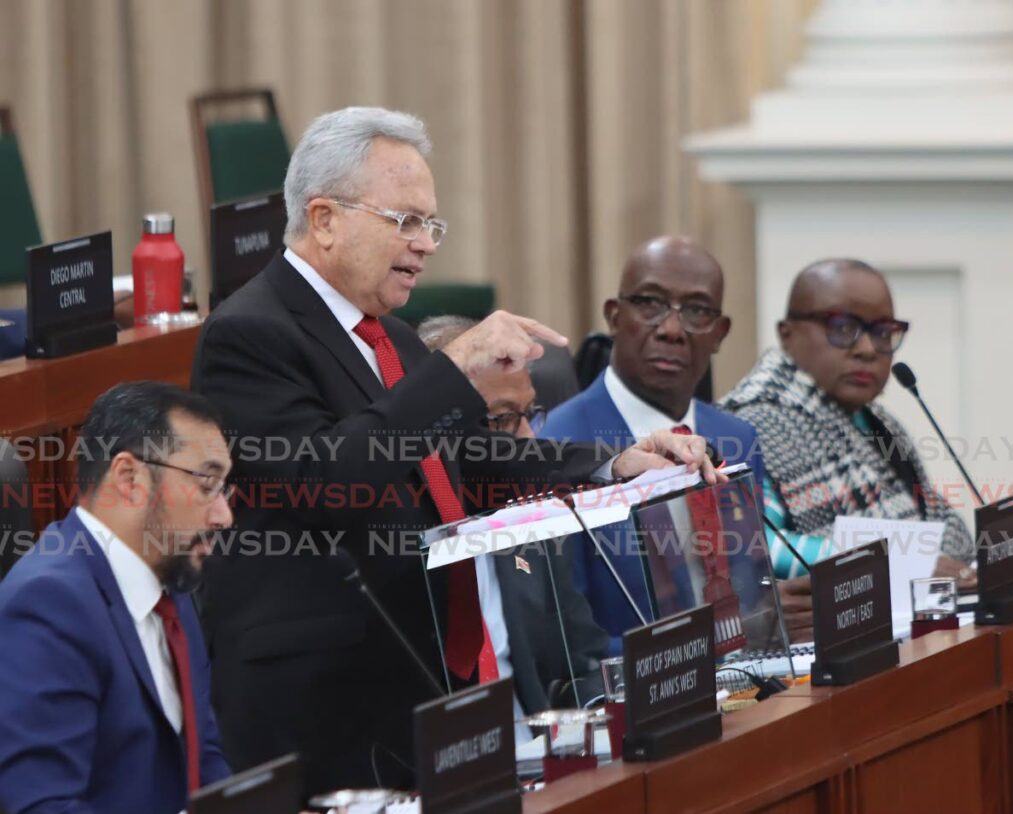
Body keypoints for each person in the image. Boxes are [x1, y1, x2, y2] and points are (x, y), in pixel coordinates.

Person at [191, 106, 721, 793]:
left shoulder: (391, 337)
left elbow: (468, 461)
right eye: (405, 221)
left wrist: (612, 463)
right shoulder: (249, 334)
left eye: (431, 224)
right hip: (319, 701)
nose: (426, 244)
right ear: (323, 219)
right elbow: (324, 483)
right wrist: (455, 365)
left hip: (412, 680)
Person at [0, 381, 233, 814]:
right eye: (207, 485)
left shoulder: (170, 584)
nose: (223, 515)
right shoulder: (48, 606)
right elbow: (43, 806)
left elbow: (206, 762)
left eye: (224, 490)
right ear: (129, 478)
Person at [721, 259, 974, 641]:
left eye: (884, 332)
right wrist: (905, 566)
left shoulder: (879, 423)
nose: (868, 349)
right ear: (787, 334)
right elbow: (756, 548)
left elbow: (947, 529)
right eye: (843, 328)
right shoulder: (750, 426)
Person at [541, 236, 763, 650]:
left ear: (719, 333)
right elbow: (564, 639)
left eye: (696, 311)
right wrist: (687, 649)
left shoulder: (738, 437)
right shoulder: (560, 445)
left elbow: (751, 581)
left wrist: (771, 614)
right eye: (650, 304)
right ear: (613, 316)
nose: (672, 330)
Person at [418, 315, 609, 714]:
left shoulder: (530, 523)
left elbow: (582, 658)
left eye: (530, 414)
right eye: (502, 418)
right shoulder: (405, 539)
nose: (528, 439)